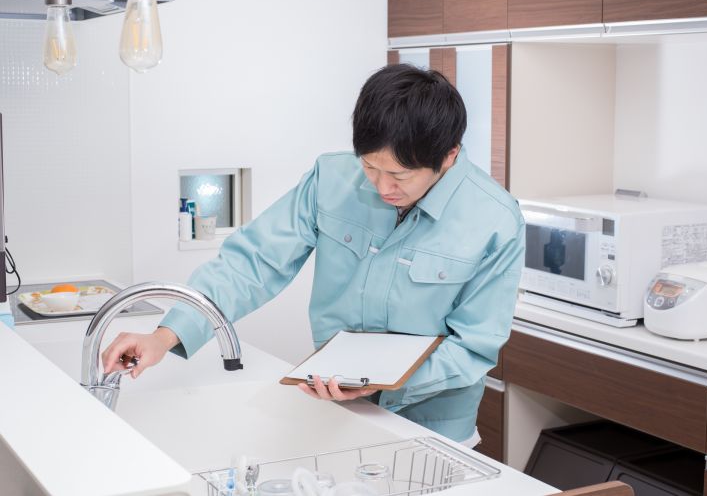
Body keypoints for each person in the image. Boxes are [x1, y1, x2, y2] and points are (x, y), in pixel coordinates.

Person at [102, 64, 525, 444]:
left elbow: (473, 346)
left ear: (449, 156)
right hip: (336, 408)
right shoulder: (331, 177)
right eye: (370, 168)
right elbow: (254, 263)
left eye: (399, 175)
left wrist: (383, 384)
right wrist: (165, 335)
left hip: (434, 427)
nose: (381, 187)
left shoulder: (495, 220)